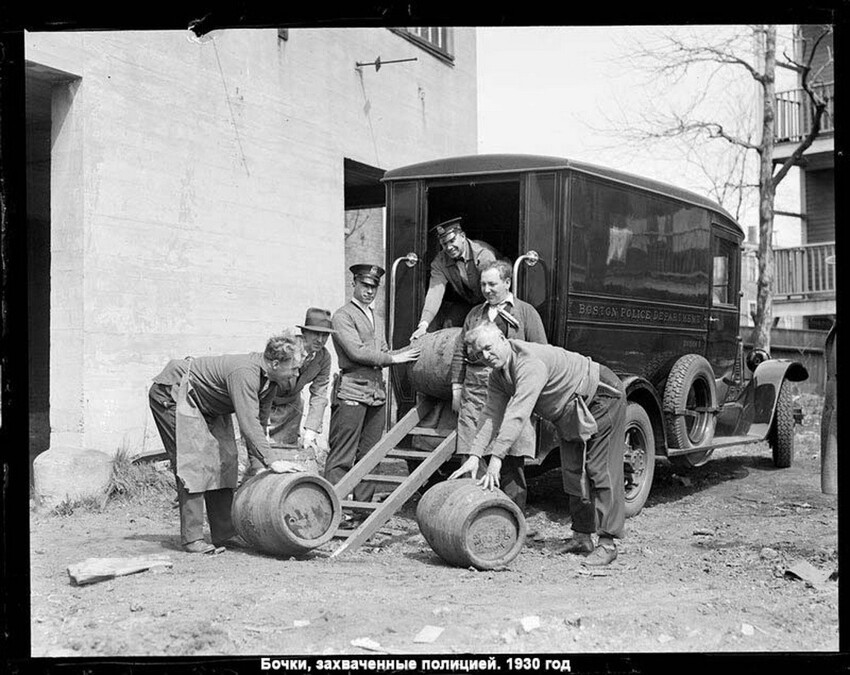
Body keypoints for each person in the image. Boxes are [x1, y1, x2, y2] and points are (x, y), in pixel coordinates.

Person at [449, 323, 626, 566]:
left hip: (601, 397)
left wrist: (496, 459)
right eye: (480, 354)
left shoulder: (529, 363)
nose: (486, 357)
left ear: (503, 338)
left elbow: (518, 414)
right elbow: (490, 415)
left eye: (489, 349)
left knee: (599, 470)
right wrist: (474, 455)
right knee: (574, 471)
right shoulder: (498, 375)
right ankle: (582, 537)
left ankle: (608, 543)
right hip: (570, 411)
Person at [148, 332, 307, 553]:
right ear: (276, 363)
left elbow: (259, 424)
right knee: (193, 462)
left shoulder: (271, 382)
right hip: (174, 393)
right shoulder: (245, 373)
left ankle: (224, 533)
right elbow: (248, 422)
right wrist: (273, 461)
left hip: (208, 404)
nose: (297, 373)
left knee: (226, 459)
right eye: (294, 368)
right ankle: (193, 539)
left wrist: (258, 465)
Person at [449, 260, 547, 511]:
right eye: (483, 284)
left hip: (512, 393)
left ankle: (513, 518)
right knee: (472, 453)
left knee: (511, 459)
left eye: (492, 283)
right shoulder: (474, 314)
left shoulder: (526, 312)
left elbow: (541, 353)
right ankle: (474, 515)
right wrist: (456, 389)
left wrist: (533, 398)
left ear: (507, 283)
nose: (487, 289)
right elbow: (460, 351)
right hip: (475, 393)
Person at [325, 264, 421, 517]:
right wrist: (395, 359)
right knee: (342, 455)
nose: (369, 291)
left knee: (371, 455)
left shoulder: (375, 318)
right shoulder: (343, 316)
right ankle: (334, 510)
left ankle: (361, 511)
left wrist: (396, 354)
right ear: (354, 284)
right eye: (365, 285)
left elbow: (383, 349)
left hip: (376, 392)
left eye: (374, 287)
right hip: (352, 391)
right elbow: (357, 352)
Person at [410, 217, 499, 340]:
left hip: (492, 301)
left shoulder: (483, 254)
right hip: (468, 301)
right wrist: (423, 325)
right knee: (449, 325)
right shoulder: (440, 262)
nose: (449, 247)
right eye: (444, 244)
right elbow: (434, 293)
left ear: (462, 236)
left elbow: (494, 289)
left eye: (452, 241)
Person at [264, 307, 334, 455]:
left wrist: (311, 432)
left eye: (325, 335)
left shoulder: (323, 358)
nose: (320, 340)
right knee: (258, 453)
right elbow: (265, 381)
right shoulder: (288, 347)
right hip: (266, 404)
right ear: (304, 332)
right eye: (316, 333)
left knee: (287, 453)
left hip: (291, 408)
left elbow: (319, 394)